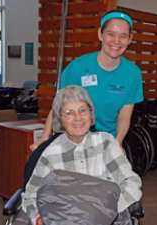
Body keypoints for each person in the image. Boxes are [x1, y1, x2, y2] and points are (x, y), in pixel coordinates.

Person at [21, 85, 142, 225]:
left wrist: (106, 210)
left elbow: (131, 182)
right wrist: (38, 218)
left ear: (91, 114)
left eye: (82, 110)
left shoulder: (106, 143)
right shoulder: (50, 154)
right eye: (69, 113)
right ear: (60, 118)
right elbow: (30, 196)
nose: (78, 118)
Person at [31, 9, 143, 150]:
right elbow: (58, 106)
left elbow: (125, 116)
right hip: (74, 139)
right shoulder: (78, 67)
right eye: (110, 34)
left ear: (130, 39)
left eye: (123, 36)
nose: (116, 41)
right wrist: (44, 138)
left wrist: (117, 143)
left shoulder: (132, 74)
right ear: (100, 34)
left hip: (107, 141)